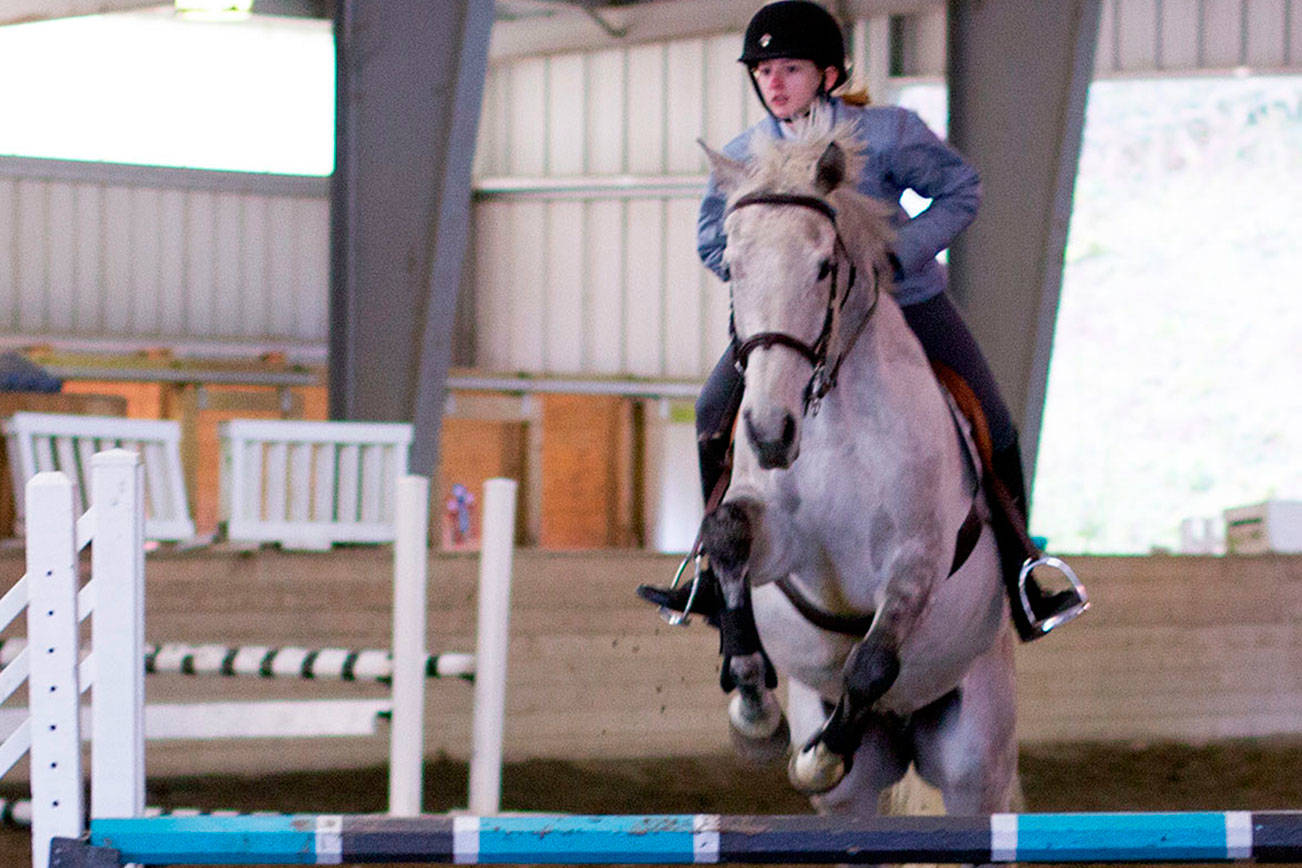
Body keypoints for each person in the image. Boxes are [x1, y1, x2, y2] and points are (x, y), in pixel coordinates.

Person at [638, 0, 1086, 641]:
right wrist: (777, 282)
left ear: (828, 73)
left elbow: (961, 188)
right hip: (796, 325)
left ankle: (1025, 572)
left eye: (789, 68)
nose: (774, 82)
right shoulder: (742, 158)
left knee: (996, 419)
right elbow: (715, 241)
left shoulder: (890, 133)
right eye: (763, 71)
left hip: (907, 303)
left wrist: (897, 255)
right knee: (714, 413)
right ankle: (710, 572)